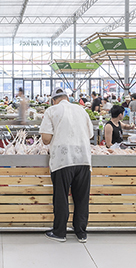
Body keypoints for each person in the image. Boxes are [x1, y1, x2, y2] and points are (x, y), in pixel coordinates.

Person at [40, 88, 94, 243]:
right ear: (67, 98)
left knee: (61, 196)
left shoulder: (52, 110)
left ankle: (60, 233)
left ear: (53, 100)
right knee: (82, 198)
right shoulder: (81, 110)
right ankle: (81, 233)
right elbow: (90, 134)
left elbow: (46, 139)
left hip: (62, 160)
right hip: (83, 158)